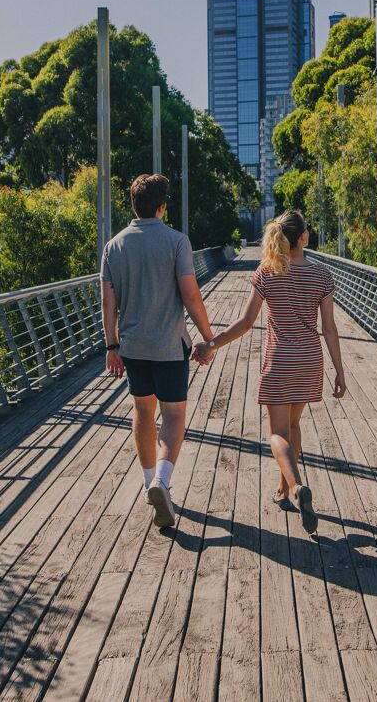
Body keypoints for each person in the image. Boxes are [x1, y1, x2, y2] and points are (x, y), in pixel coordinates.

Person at [193, 210, 346, 536]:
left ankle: (295, 487)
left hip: (279, 361)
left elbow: (246, 323)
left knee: (276, 433)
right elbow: (329, 329)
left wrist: (211, 343)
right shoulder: (322, 276)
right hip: (309, 361)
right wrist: (340, 371)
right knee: (293, 425)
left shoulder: (268, 272)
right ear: (303, 238)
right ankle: (284, 489)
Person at [101, 174, 216, 529]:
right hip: (169, 345)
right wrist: (208, 337)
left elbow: (108, 302)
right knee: (174, 415)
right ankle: (161, 482)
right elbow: (191, 295)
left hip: (132, 347)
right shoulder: (176, 241)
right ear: (162, 207)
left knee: (142, 411)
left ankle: (148, 480)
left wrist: (111, 345)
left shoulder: (114, 246)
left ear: (133, 205)